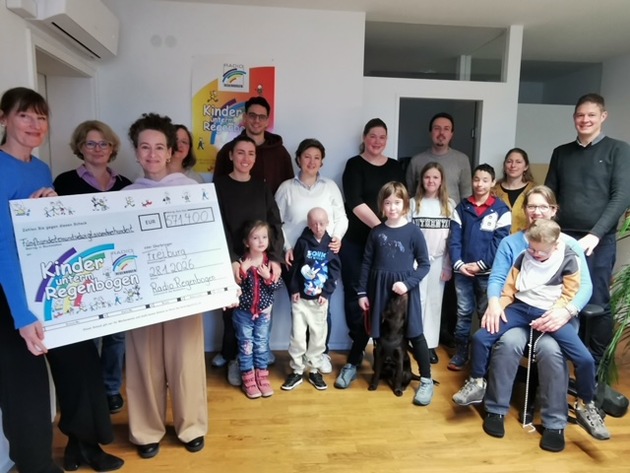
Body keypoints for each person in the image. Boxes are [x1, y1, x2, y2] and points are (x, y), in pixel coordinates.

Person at [0, 87, 123, 473]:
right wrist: (22, 316)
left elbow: (42, 235)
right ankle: (35, 466)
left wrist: (49, 211)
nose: (35, 125)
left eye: (41, 117)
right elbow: (3, 245)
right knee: (27, 392)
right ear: (4, 118)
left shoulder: (40, 169)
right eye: (25, 115)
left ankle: (85, 447)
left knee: (81, 369)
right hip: (10, 297)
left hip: (49, 288)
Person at [453, 219, 610, 440]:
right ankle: (477, 382)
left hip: (551, 313)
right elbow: (509, 287)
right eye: (531, 248)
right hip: (520, 308)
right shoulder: (523, 255)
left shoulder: (568, 259)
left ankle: (586, 405)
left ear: (555, 246)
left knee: (585, 359)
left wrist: (555, 314)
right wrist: (498, 308)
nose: (534, 254)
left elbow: (570, 293)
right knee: (480, 338)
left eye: (540, 251)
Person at [482, 185, 594, 451]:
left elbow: (585, 286)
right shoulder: (511, 243)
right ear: (525, 210)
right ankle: (495, 409)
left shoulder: (569, 244)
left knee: (550, 350)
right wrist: (494, 303)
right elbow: (498, 278)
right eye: (531, 206)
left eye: (543, 206)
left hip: (559, 314)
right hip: (520, 310)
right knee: (508, 343)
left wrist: (566, 312)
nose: (537, 211)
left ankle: (555, 423)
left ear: (553, 210)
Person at [124, 113, 207, 459]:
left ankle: (192, 426)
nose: (153, 154)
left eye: (160, 147)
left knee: (186, 359)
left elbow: (207, 240)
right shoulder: (125, 196)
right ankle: (146, 430)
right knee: (144, 363)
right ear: (136, 152)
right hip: (141, 295)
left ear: (171, 151)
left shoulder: (192, 191)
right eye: (145, 147)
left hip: (183, 291)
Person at [545, 93, 630, 367]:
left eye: (591, 115)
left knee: (597, 301)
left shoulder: (618, 150)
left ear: (603, 116)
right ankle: (563, 357)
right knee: (561, 296)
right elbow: (550, 196)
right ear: (574, 118)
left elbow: (621, 196)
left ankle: (595, 365)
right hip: (562, 238)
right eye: (580, 115)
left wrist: (595, 234)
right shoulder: (561, 153)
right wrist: (548, 232)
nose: (585, 120)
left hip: (599, 241)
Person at [53, 119, 132, 415]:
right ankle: (91, 391)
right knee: (89, 336)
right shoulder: (63, 183)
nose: (98, 149)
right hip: (81, 271)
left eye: (103, 143)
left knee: (116, 336)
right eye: (90, 143)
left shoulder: (125, 185)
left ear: (112, 148)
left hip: (118, 270)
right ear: (80, 147)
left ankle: (110, 389)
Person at [335, 118, 405, 389]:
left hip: (387, 246)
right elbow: (354, 202)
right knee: (357, 296)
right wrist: (381, 230)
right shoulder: (354, 165)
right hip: (356, 242)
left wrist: (388, 235)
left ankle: (381, 352)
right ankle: (356, 354)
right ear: (364, 138)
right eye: (372, 136)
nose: (377, 141)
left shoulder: (395, 167)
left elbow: (400, 201)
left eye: (382, 137)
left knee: (385, 297)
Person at [214, 135, 284, 386]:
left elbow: (274, 223)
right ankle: (234, 359)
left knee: (260, 312)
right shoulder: (219, 186)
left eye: (251, 153)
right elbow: (217, 225)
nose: (246, 158)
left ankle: (259, 358)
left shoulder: (260, 186)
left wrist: (275, 258)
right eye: (240, 152)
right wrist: (233, 260)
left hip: (259, 261)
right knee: (234, 314)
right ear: (231, 155)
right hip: (231, 260)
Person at [275, 138, 348, 373]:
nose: (312, 161)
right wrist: (286, 247)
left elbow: (341, 217)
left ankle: (320, 355)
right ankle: (299, 361)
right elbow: (276, 223)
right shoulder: (286, 188)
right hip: (295, 260)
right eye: (307, 156)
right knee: (299, 310)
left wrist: (337, 237)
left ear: (322, 162)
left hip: (323, 259)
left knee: (321, 307)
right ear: (298, 159)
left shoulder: (330, 187)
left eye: (317, 157)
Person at [357, 181, 433, 404]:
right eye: (388, 203)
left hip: (405, 293)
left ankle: (426, 379)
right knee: (374, 331)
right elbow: (366, 263)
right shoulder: (376, 232)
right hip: (379, 289)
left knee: (415, 333)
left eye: (397, 202)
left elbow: (425, 264)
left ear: (405, 204)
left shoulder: (413, 232)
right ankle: (358, 367)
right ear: (382, 205)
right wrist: (362, 293)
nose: (392, 207)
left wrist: (407, 284)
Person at [448, 163, 511, 371]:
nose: (480, 184)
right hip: (463, 271)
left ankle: (484, 355)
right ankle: (461, 352)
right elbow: (454, 239)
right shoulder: (462, 207)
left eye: (485, 180)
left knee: (486, 313)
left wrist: (482, 265)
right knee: (463, 312)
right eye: (476, 179)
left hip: (488, 274)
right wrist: (459, 264)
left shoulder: (502, 210)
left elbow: (499, 243)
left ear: (493, 183)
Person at [282, 208, 342, 391]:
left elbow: (335, 271)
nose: (318, 227)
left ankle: (314, 369)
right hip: (300, 299)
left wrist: (326, 293)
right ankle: (297, 370)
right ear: (308, 224)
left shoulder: (331, 245)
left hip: (319, 301)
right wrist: (294, 289)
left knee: (318, 336)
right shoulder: (302, 243)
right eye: (314, 223)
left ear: (328, 223)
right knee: (298, 337)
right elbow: (294, 266)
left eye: (322, 223)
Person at [409, 162, 455, 364]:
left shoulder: (449, 205)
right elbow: (406, 234)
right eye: (427, 177)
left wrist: (448, 265)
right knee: (417, 301)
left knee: (434, 303)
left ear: (441, 180)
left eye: (435, 177)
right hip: (416, 261)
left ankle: (429, 344)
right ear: (421, 179)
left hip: (439, 260)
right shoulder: (413, 204)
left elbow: (452, 239)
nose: (431, 181)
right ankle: (414, 340)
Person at [234, 220, 283, 398]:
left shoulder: (271, 263)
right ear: (247, 242)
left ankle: (262, 377)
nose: (261, 241)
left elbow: (277, 286)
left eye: (264, 237)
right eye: (255, 238)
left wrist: (268, 276)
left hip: (263, 313)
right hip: (243, 313)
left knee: (262, 344)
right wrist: (243, 271)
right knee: (246, 345)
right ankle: (248, 379)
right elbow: (235, 286)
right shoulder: (241, 261)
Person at [213, 96, 293, 194]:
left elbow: (289, 190)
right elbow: (217, 189)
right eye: (252, 116)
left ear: (267, 121)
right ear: (244, 118)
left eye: (262, 117)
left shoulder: (280, 153)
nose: (257, 120)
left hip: (272, 204)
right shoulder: (228, 150)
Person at [405, 112, 472, 202]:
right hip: (421, 210)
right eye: (437, 128)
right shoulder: (416, 161)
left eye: (446, 129)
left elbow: (467, 195)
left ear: (451, 134)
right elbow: (409, 195)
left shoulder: (462, 160)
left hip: (453, 211)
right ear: (430, 132)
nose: (441, 133)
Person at [492, 148, 536, 234]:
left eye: (518, 162)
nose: (513, 165)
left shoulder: (534, 191)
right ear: (504, 165)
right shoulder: (493, 191)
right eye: (509, 162)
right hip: (497, 239)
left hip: (526, 238)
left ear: (526, 166)